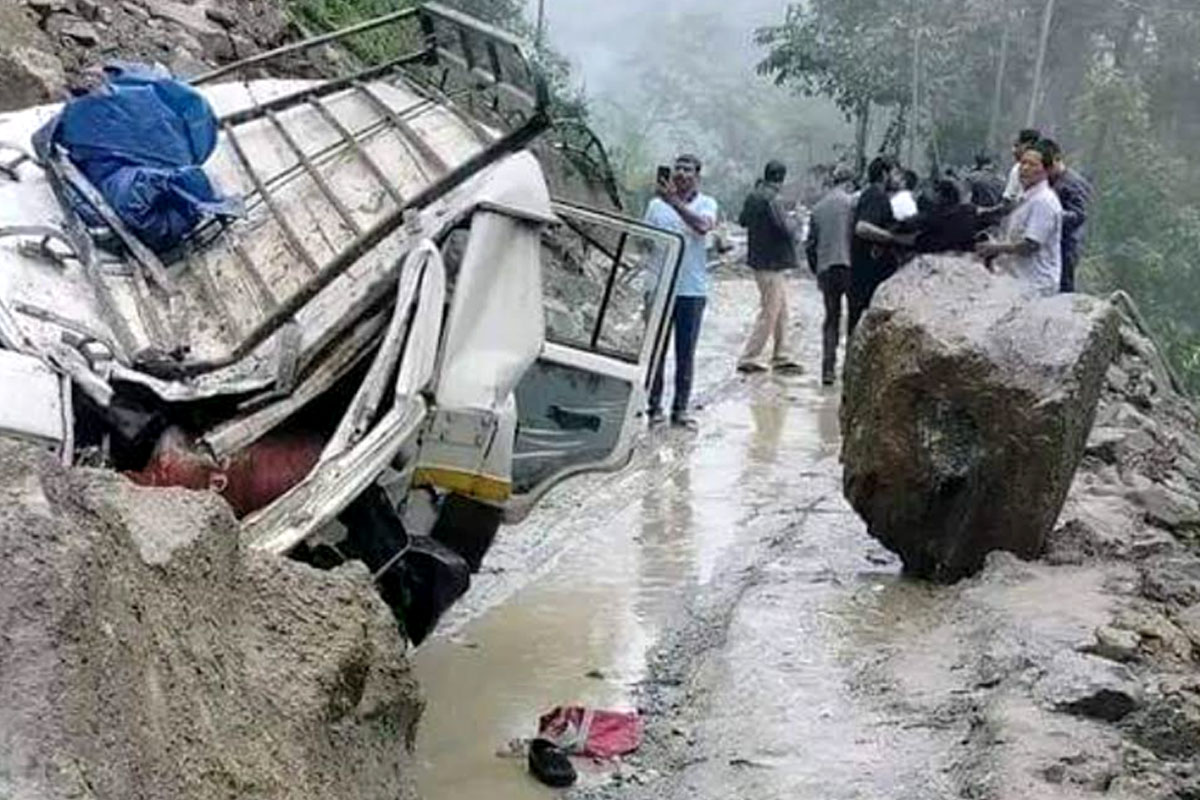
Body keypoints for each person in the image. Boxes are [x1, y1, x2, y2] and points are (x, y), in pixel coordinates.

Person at [644, 154, 718, 430]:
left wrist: (674, 202)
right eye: (678, 168)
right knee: (656, 352)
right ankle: (653, 408)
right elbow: (646, 242)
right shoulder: (654, 206)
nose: (682, 173)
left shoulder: (707, 204)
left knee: (685, 352)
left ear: (697, 175)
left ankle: (680, 409)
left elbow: (702, 226)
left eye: (688, 170)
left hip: (691, 291)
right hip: (659, 288)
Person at [736, 160, 800, 373]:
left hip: (759, 260)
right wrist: (796, 220)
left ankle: (781, 355)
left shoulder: (754, 195)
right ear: (781, 179)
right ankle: (749, 356)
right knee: (770, 311)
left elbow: (742, 221)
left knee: (781, 310)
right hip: (772, 263)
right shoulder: (773, 199)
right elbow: (785, 229)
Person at [976, 140, 1063, 294]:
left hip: (1035, 283)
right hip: (1017, 279)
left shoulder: (1044, 201)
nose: (1025, 168)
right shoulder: (1025, 197)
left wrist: (996, 248)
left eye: (1032, 165)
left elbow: (1030, 245)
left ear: (1046, 170)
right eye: (1023, 163)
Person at [806, 165, 856, 385]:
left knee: (831, 318)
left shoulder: (818, 208)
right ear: (849, 182)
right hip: (849, 267)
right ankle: (851, 370)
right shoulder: (852, 204)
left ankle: (828, 369)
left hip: (826, 269)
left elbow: (810, 245)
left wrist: (816, 268)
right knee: (854, 318)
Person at [848, 155, 902, 337]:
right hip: (866, 274)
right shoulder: (876, 195)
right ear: (884, 174)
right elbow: (862, 228)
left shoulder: (872, 194)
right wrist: (891, 237)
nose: (898, 178)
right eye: (896, 173)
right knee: (862, 327)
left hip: (864, 273)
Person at [1042, 138, 1092, 292]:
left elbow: (1079, 215)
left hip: (1067, 245)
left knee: (1063, 289)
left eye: (1049, 166)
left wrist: (1053, 215)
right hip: (1049, 245)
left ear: (1057, 159)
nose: (1046, 171)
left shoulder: (1073, 183)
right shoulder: (1050, 181)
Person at [1002, 128, 1042, 202]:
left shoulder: (1018, 169)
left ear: (1028, 145)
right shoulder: (1017, 168)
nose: (1013, 150)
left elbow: (1007, 201)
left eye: (1017, 146)